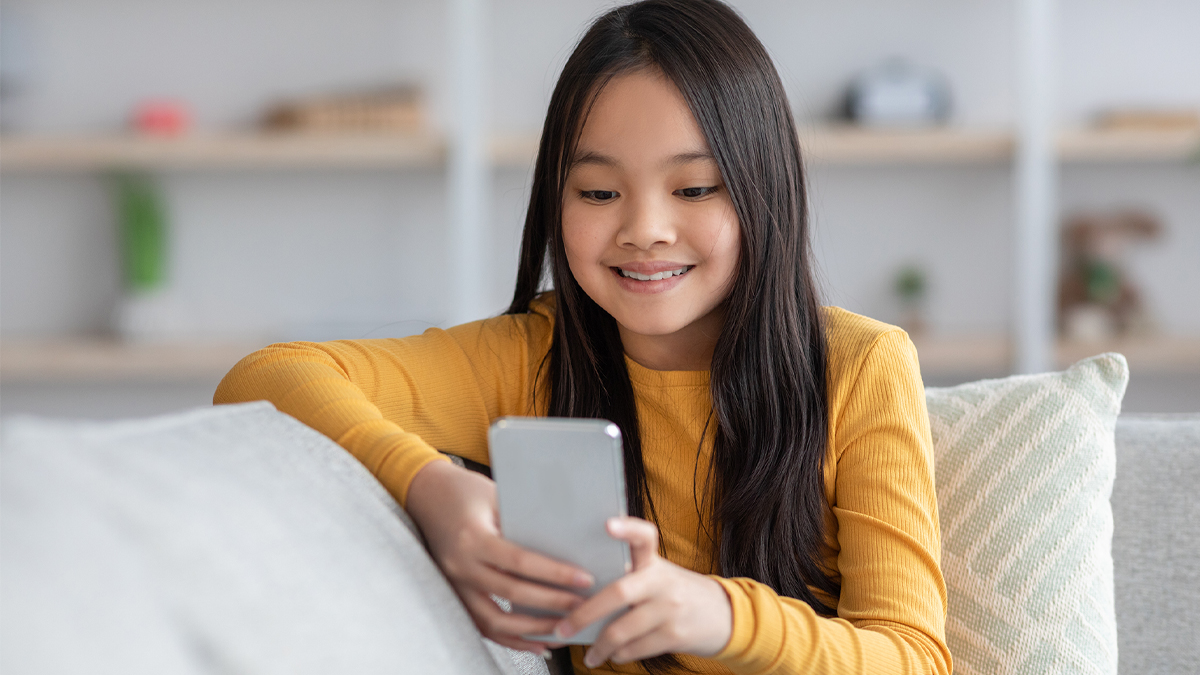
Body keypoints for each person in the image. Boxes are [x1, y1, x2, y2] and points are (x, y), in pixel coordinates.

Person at [214, 1, 951, 673]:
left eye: (694, 189)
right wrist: (429, 485)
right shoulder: (531, 359)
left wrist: (714, 614)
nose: (644, 231)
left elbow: (915, 656)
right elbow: (264, 376)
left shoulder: (860, 366)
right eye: (598, 192)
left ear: (766, 189)